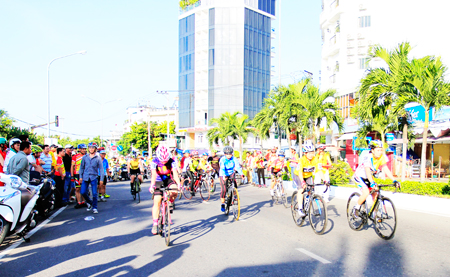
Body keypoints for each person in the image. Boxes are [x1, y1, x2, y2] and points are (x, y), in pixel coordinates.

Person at [351, 140, 400, 218]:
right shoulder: (368, 157)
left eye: (381, 150)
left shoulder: (382, 157)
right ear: (372, 150)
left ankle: (374, 214)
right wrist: (372, 183)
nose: (380, 152)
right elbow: (367, 171)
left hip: (369, 177)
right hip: (359, 176)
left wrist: (394, 180)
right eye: (378, 150)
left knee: (375, 193)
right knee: (366, 192)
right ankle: (356, 209)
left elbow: (386, 169)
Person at [149, 145, 181, 235]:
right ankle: (155, 223)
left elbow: (175, 174)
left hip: (168, 179)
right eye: (162, 160)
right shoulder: (154, 161)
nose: (164, 162)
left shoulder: (172, 161)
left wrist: (178, 184)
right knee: (157, 200)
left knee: (174, 191)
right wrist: (152, 185)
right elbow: (154, 175)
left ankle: (170, 202)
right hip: (158, 180)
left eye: (165, 160)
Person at [79, 142, 104, 214]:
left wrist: (101, 179)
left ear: (95, 149)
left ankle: (95, 207)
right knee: (83, 192)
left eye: (92, 147)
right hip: (85, 176)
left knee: (94, 193)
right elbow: (81, 168)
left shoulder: (98, 157)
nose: (91, 149)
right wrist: (80, 176)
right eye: (90, 147)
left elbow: (101, 169)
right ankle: (90, 202)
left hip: (94, 176)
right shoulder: (85, 157)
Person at [294, 143, 318, 217]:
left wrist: (325, 181)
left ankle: (307, 199)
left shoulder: (315, 159)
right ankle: (300, 208)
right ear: (305, 153)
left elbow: (319, 170)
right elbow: (300, 172)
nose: (311, 154)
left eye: (312, 152)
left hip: (308, 176)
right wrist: (302, 182)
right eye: (309, 153)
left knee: (312, 190)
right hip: (298, 176)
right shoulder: (301, 160)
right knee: (301, 189)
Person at [218, 146, 244, 212]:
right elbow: (222, 168)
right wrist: (224, 176)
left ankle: (234, 196)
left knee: (234, 184)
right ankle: (223, 204)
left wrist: (241, 174)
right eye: (227, 154)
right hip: (223, 174)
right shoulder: (222, 159)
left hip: (231, 173)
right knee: (224, 189)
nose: (229, 155)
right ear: (225, 154)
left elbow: (238, 167)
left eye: (230, 153)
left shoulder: (234, 159)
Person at [72, 144, 87, 209]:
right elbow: (72, 166)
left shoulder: (87, 156)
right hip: (77, 174)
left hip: (85, 174)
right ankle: (78, 202)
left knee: (84, 189)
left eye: (85, 149)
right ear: (79, 149)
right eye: (83, 149)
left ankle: (83, 201)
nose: (84, 150)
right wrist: (72, 175)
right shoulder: (75, 157)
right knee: (78, 189)